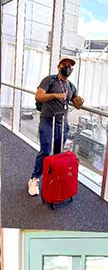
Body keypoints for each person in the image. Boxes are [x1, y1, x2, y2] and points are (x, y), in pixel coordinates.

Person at [28, 56, 84, 197]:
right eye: (65, 65)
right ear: (59, 67)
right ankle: (34, 179)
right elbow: (38, 97)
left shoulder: (71, 86)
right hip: (48, 120)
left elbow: (76, 103)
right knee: (46, 151)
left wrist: (79, 101)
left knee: (58, 153)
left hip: (61, 122)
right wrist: (54, 95)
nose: (68, 68)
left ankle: (54, 179)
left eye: (70, 66)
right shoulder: (50, 80)